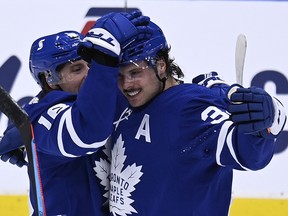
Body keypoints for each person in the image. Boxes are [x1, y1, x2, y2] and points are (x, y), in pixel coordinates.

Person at [77, 15, 287, 215]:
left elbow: (249, 155)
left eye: (135, 73)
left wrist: (264, 123)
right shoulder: (121, 100)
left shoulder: (191, 108)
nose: (126, 85)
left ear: (161, 66)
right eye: (119, 75)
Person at [0, 10, 152, 216]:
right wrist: (104, 60)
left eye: (92, 64)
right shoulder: (46, 117)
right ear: (50, 79)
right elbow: (87, 132)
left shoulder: (95, 96)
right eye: (77, 69)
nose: (91, 74)